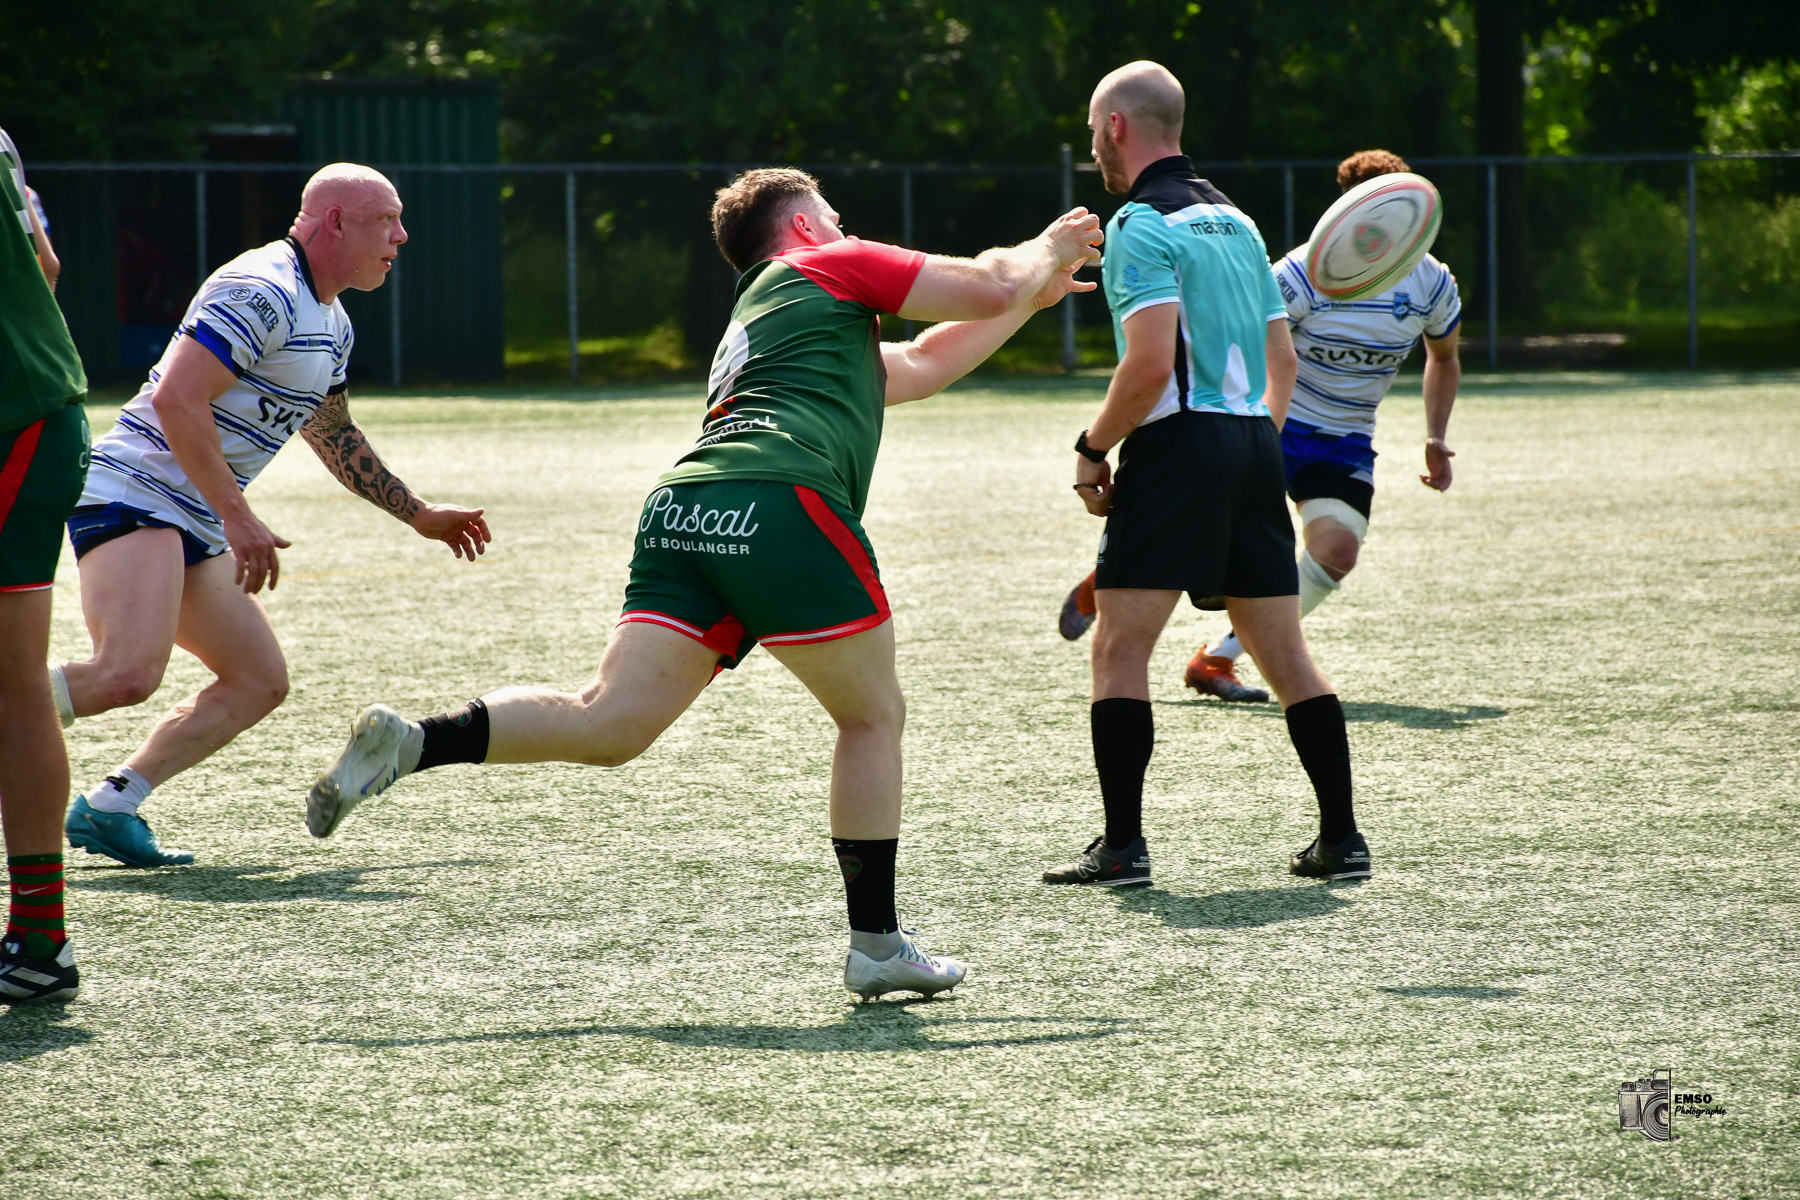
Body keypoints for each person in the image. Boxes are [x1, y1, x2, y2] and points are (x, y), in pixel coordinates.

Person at [309, 167, 1101, 1000]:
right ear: (804, 228)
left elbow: (923, 362)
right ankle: (876, 944)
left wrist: (1025, 300)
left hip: (685, 508)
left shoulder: (770, 316)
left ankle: (416, 741)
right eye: (833, 217)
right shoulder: (825, 264)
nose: (845, 228)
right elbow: (987, 281)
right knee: (872, 716)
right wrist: (1042, 251)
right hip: (778, 500)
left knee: (608, 723)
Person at [50, 164, 492, 870]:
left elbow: (333, 433)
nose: (402, 236)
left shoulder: (333, 320)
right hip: (137, 491)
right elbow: (176, 400)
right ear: (335, 222)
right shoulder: (263, 289)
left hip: (191, 513)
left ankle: (112, 804)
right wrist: (238, 514)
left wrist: (418, 514)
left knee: (258, 680)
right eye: (387, 220)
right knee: (126, 674)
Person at [1041, 61, 1371, 890]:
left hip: (1178, 449)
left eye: (1093, 131)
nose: (1094, 146)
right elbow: (1282, 358)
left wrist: (1092, 448)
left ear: (1118, 126)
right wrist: (1251, 443)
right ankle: (1342, 841)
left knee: (1120, 648)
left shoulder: (1139, 223)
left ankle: (1122, 849)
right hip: (1256, 444)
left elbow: (1149, 365)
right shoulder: (1238, 221)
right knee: (1287, 656)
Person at [1058, 149, 1462, 707]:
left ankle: (1216, 656)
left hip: (1344, 440)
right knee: (1202, 546)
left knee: (1337, 552)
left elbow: (1444, 357)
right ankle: (1107, 580)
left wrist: (1436, 436)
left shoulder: (1434, 286)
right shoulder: (1304, 274)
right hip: (1268, 425)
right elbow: (1257, 348)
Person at [0, 128, 90, 1002]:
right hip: (32, 413)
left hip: (15, 422)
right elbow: (46, 269)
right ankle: (37, 938)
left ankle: (39, 940)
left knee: (13, 683)